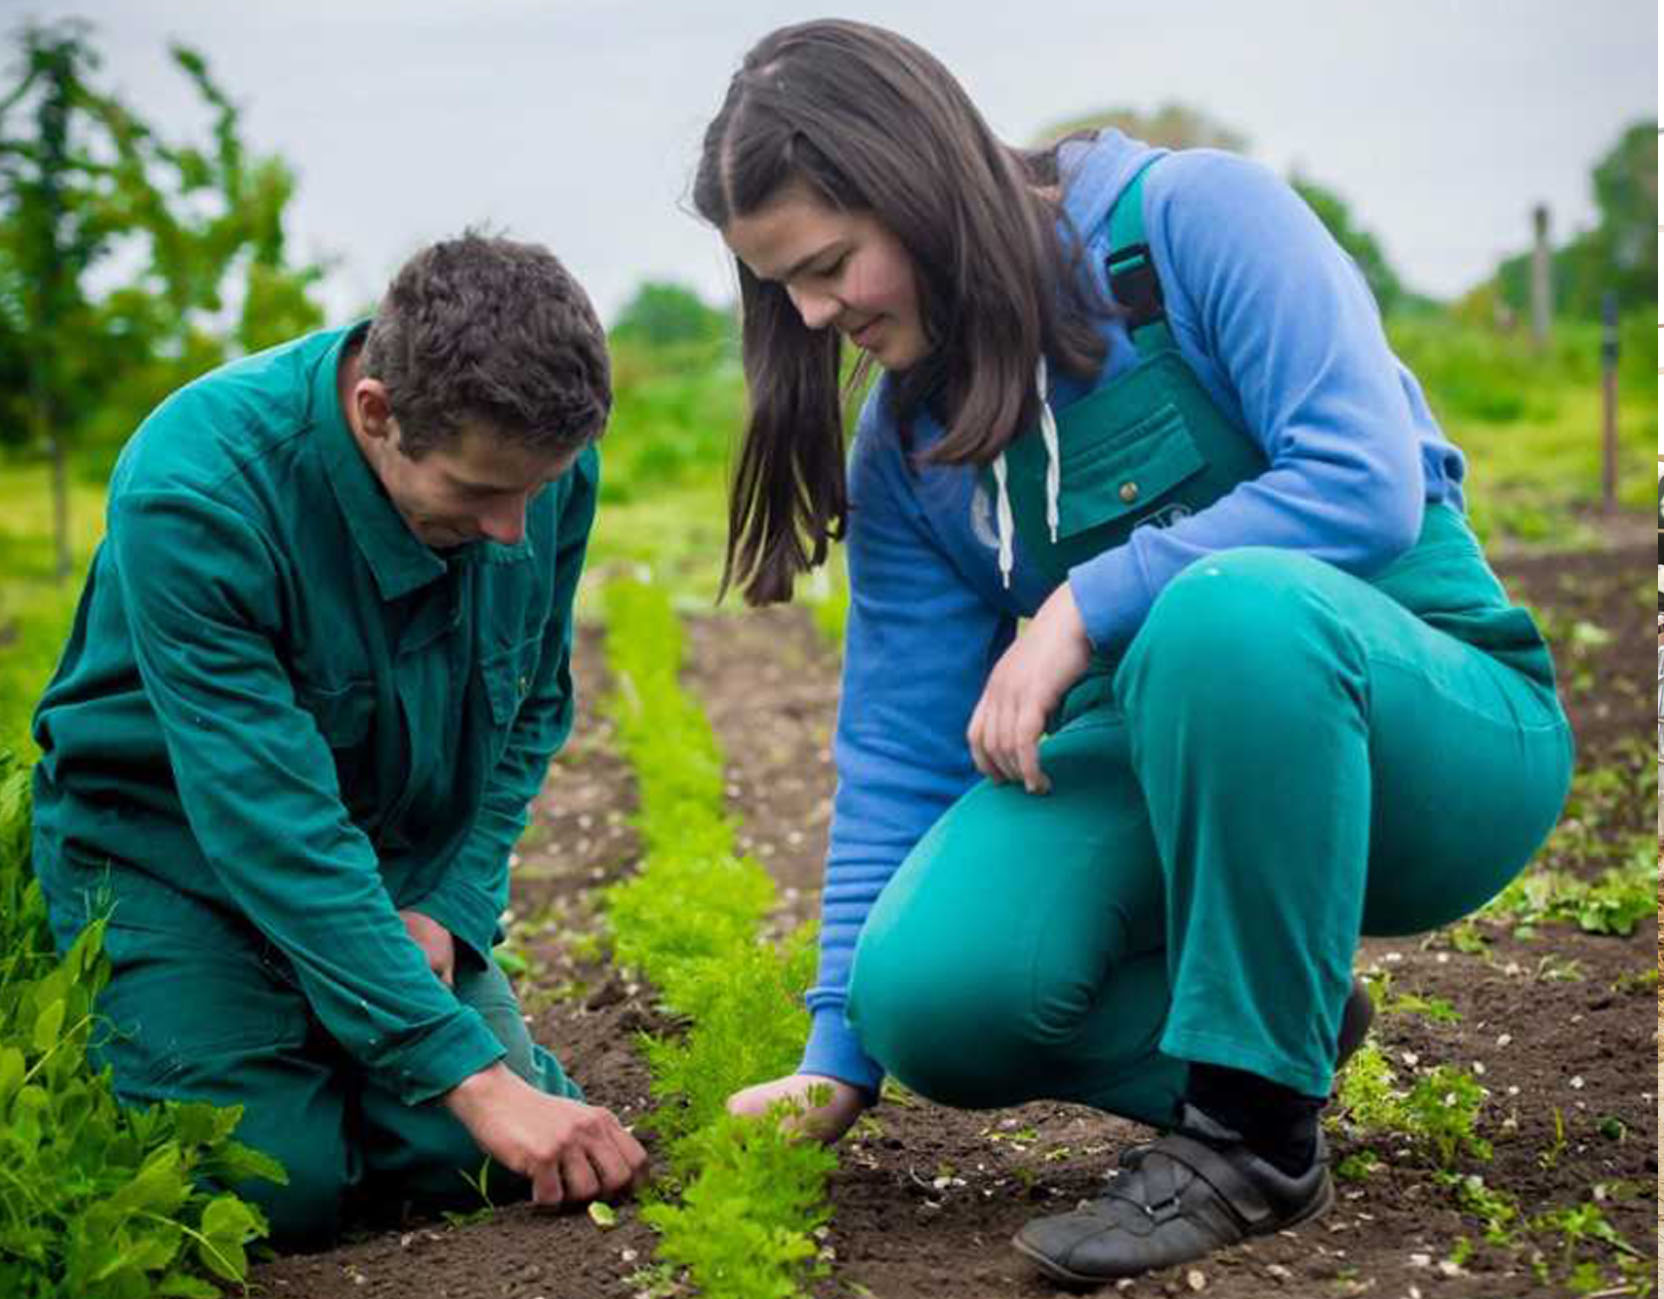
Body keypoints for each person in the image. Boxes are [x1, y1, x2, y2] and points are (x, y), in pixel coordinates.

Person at [695, 20, 1573, 1282]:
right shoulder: (908, 445)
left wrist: (1082, 604)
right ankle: (1273, 1028)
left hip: (1427, 738)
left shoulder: (1191, 222)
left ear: (917, 187)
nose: (814, 314)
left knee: (1225, 609)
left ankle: (1251, 1137)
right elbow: (893, 741)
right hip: (1168, 765)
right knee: (930, 993)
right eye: (780, 285)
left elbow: (1361, 479)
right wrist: (836, 1052)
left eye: (829, 264)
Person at [30, 234, 649, 1250]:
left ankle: (350, 1044)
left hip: (391, 862)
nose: (513, 533)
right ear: (376, 413)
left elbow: (529, 707)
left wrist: (445, 903)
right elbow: (267, 819)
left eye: (537, 490)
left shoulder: (532, 468)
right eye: (477, 495)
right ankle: (294, 1049)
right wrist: (468, 1074)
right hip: (173, 859)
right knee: (268, 1187)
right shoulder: (199, 491)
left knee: (469, 1165)